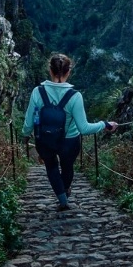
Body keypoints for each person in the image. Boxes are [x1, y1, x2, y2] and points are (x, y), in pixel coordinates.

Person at [22, 53, 118, 211]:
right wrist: (105, 124)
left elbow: (29, 118)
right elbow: (84, 128)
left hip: (45, 139)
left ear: (50, 70)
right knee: (67, 167)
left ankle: (62, 200)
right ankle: (65, 189)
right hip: (69, 141)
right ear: (69, 71)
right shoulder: (75, 96)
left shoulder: (37, 92)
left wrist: (26, 135)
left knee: (51, 167)